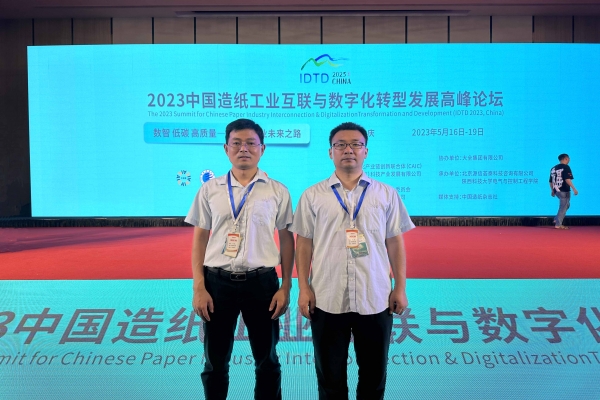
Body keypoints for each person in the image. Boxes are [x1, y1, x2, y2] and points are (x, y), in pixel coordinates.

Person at [290, 121, 415, 400]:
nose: (349, 150)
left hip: (375, 296)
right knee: (329, 376)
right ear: (330, 152)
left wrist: (400, 287)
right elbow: (304, 243)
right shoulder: (312, 195)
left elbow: (395, 242)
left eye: (356, 144)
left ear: (365, 151)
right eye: (341, 145)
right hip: (327, 296)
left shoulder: (386, 193)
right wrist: (304, 288)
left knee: (374, 374)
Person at [185, 118, 294, 400]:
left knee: (267, 360)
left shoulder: (277, 191)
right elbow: (200, 239)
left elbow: (286, 239)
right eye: (236, 143)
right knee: (215, 362)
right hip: (217, 283)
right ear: (226, 148)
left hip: (262, 283)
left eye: (250, 143)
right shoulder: (210, 190)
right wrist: (199, 286)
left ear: (262, 149)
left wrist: (286, 286)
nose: (243, 149)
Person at [549, 153, 578, 230]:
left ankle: (556, 218)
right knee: (563, 207)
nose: (569, 160)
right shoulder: (566, 167)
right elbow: (567, 179)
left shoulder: (553, 168)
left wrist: (552, 190)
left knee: (566, 205)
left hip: (557, 191)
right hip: (564, 190)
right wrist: (574, 188)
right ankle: (558, 224)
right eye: (568, 158)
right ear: (566, 158)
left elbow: (551, 181)